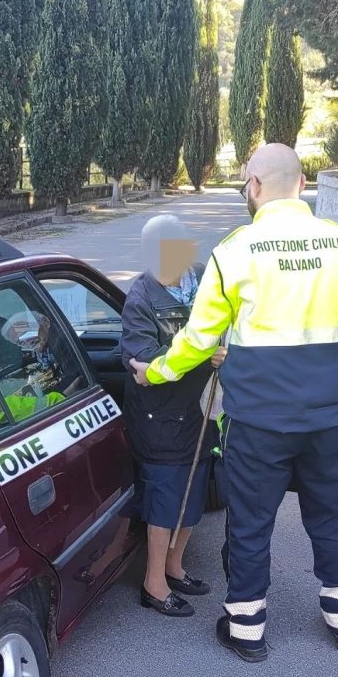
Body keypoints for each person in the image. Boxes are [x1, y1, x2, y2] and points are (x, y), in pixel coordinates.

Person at [130, 144, 338, 659]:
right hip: (328, 421)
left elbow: (198, 340)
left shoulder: (235, 252)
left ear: (253, 185)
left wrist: (156, 370)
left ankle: (247, 628)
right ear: (301, 185)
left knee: (251, 519)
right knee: (329, 516)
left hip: (257, 422)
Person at [123, 214, 226, 618]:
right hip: (159, 418)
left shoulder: (201, 280)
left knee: (195, 493)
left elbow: (223, 319)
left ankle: (174, 565)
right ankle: (153, 583)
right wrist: (204, 356)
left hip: (200, 410)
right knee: (166, 501)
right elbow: (144, 365)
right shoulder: (140, 299)